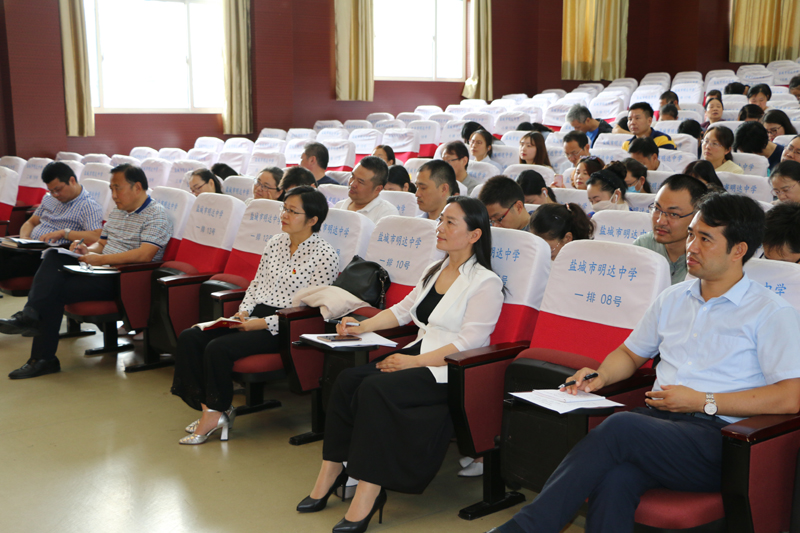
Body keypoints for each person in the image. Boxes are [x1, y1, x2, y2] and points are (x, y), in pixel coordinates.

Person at [488, 192, 800, 533]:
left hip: (722, 442)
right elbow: (630, 354)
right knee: (617, 479)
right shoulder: (674, 297)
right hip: (660, 429)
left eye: (705, 238)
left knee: (621, 427)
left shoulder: (771, 313)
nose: (692, 245)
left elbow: (790, 397)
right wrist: (600, 375)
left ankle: (528, 527)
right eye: (693, 233)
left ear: (738, 250)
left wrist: (704, 401)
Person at [300, 196, 504, 533]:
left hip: (448, 370)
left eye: (450, 222)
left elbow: (469, 343)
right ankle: (332, 470)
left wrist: (413, 362)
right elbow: (403, 311)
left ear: (474, 235)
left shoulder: (486, 283)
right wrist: (359, 326)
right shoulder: (433, 269)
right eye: (442, 220)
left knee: (375, 389)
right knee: (348, 380)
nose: (440, 227)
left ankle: (369, 490)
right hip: (418, 352)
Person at [172, 187, 338, 444]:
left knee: (218, 348)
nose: (284, 215)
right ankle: (213, 410)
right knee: (191, 337)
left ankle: (215, 413)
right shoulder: (275, 243)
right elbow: (256, 285)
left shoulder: (324, 255)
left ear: (313, 220)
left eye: (293, 211)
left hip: (285, 325)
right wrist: (243, 312)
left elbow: (313, 311)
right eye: (284, 208)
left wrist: (261, 323)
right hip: (255, 315)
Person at [0, 164, 172, 379]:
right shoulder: (118, 213)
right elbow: (100, 243)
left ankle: (38, 343)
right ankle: (37, 337)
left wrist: (101, 260)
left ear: (137, 187)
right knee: (54, 256)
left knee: (53, 290)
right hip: (100, 270)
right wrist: (85, 250)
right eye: (111, 189)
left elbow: (144, 255)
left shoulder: (156, 215)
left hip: (124, 279)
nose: (114, 195)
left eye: (118, 188)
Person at [0, 162, 103, 284]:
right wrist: (25, 239)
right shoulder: (49, 198)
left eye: (58, 190)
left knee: (6, 266)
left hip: (47, 256)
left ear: (72, 180)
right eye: (51, 190)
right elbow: (31, 222)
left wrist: (64, 233)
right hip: (28, 248)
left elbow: (96, 236)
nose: (55, 195)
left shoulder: (88, 206)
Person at [633, 174, 708, 285]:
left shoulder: (706, 258)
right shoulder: (643, 247)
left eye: (673, 214)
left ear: (697, 217)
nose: (660, 221)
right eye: (657, 209)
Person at [333, 156, 399, 224]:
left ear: (378, 189)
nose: (352, 184)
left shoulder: (387, 214)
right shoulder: (338, 206)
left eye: (360, 182)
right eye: (352, 177)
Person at [529, 203, 594, 260]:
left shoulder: (585, 263)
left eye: (547, 247)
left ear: (567, 239)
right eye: (535, 247)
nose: (540, 253)